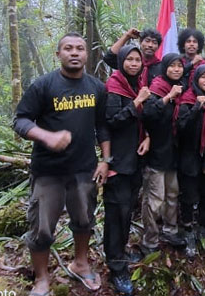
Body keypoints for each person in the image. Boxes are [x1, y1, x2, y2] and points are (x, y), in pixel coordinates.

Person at [13, 32, 109, 294]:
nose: (75, 53)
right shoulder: (43, 86)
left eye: (80, 48)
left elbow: (102, 126)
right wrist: (46, 136)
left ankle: (80, 263)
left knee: (84, 220)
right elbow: (20, 120)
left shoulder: (96, 87)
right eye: (68, 48)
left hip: (84, 169)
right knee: (42, 228)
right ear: (59, 54)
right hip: (48, 172)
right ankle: (42, 278)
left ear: (87, 54)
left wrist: (105, 160)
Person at [100, 43, 152, 295]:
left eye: (137, 60)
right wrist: (137, 103)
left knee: (126, 212)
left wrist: (147, 137)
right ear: (121, 62)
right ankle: (117, 268)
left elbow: (142, 121)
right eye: (129, 59)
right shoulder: (114, 87)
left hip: (134, 160)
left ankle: (120, 253)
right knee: (116, 215)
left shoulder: (135, 85)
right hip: (118, 163)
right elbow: (111, 123)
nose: (134, 63)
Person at [140, 53, 187, 254]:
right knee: (154, 199)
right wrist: (169, 97)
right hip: (157, 153)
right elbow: (148, 114)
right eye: (172, 66)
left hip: (174, 153)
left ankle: (170, 229)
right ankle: (150, 239)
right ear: (165, 67)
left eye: (179, 66)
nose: (176, 69)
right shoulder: (157, 88)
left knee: (172, 195)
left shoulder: (184, 90)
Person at [176, 64, 205, 258]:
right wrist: (196, 108)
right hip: (188, 156)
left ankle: (203, 227)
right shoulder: (187, 99)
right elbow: (181, 128)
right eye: (204, 77)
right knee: (188, 196)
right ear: (196, 79)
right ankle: (187, 230)